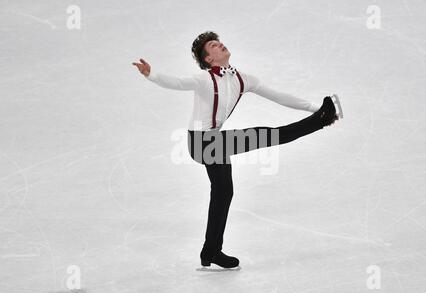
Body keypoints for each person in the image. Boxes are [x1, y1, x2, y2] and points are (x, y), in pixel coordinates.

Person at [132, 31, 341, 269]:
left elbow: (279, 97)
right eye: (213, 45)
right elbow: (178, 83)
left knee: (224, 192)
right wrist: (151, 74)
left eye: (218, 42)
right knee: (269, 134)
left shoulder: (242, 79)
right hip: (201, 143)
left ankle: (210, 252)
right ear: (209, 59)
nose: (219, 44)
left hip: (216, 142)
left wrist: (314, 107)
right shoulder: (204, 79)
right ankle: (321, 121)